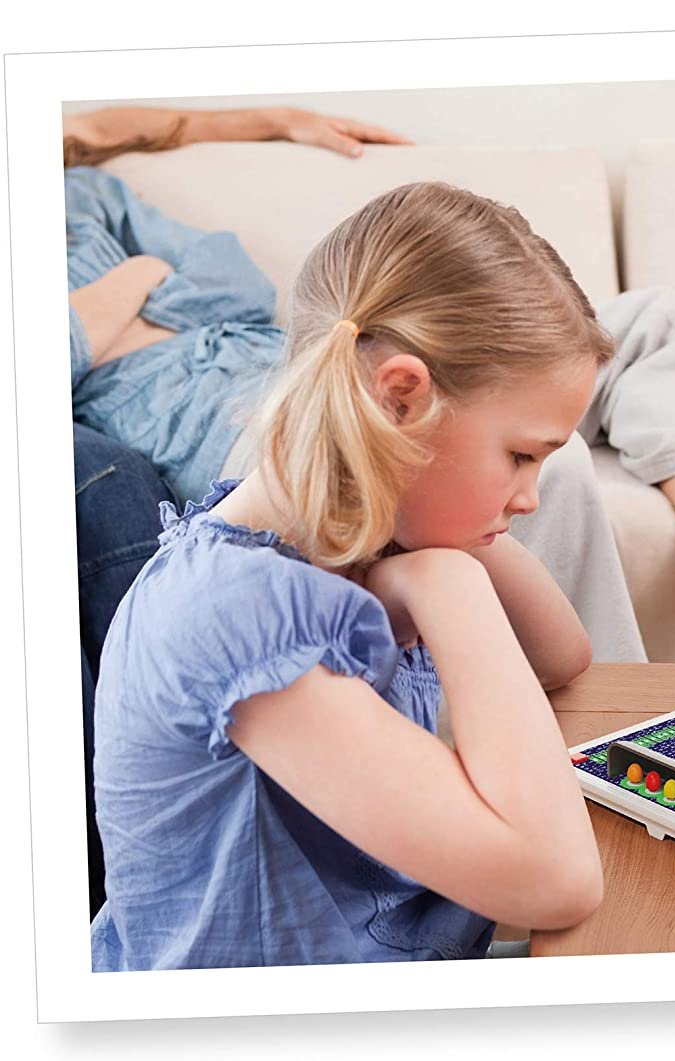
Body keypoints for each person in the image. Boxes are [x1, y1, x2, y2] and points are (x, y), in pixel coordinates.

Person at [65, 105, 675, 668]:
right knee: (562, 465)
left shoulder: (87, 196)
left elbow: (229, 280)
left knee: (663, 316)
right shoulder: (227, 592)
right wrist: (142, 276)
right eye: (518, 462)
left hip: (280, 354)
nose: (527, 495)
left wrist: (111, 298)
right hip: (256, 412)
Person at [91, 181, 620, 969]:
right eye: (520, 454)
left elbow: (562, 654)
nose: (530, 496)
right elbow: (558, 879)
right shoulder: (237, 612)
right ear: (399, 399)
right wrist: (450, 585)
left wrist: (447, 554)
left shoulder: (349, 531)